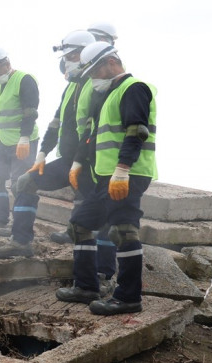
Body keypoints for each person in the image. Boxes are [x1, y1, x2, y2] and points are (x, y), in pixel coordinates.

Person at [55, 42, 157, 315]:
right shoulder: (107, 93)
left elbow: (136, 131)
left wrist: (123, 168)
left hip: (128, 175)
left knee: (122, 231)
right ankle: (87, 286)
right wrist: (78, 161)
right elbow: (91, 134)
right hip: (105, 176)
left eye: (94, 72)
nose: (91, 79)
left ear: (111, 62)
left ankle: (128, 297)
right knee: (80, 224)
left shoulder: (134, 88)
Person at [0, 31, 97, 258]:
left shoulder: (95, 87)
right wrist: (43, 154)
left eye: (72, 56)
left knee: (87, 218)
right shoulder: (71, 88)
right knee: (25, 181)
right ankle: (21, 242)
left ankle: (97, 274)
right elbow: (55, 123)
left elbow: (91, 130)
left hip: (90, 162)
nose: (67, 62)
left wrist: (79, 161)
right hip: (69, 160)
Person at [0, 46, 41, 237]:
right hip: (0, 142)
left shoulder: (24, 80)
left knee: (19, 184)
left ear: (6, 64)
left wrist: (24, 138)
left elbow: (31, 112)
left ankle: (20, 227)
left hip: (21, 142)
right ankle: (0, 222)